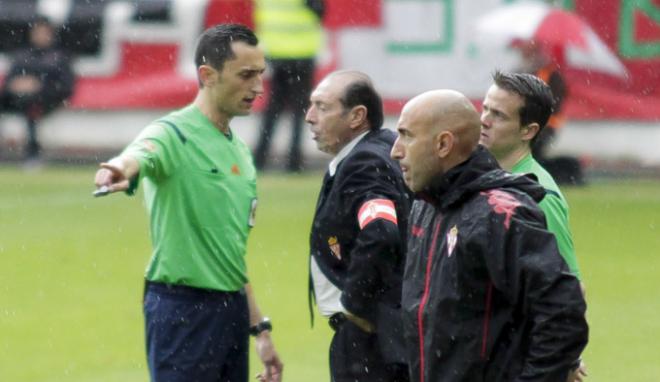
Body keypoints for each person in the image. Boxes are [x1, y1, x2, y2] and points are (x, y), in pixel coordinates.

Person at [93, 24, 282, 382]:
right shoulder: (172, 133)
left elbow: (230, 254)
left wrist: (261, 331)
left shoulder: (240, 151)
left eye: (260, 74)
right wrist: (120, 168)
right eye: (245, 75)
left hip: (231, 311)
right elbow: (142, 153)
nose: (257, 87)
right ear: (207, 75)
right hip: (183, 311)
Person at [390, 89, 588, 382]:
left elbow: (563, 314)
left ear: (444, 143)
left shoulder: (500, 213)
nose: (395, 150)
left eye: (407, 135)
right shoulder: (425, 206)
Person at [480, 71, 587, 381]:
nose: (484, 120)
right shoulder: (481, 178)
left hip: (518, 360)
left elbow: (569, 283)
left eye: (497, 115)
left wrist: (567, 359)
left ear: (528, 130)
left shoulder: (539, 195)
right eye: (485, 108)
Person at [306, 70, 411, 382]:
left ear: (357, 117)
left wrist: (354, 307)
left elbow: (380, 231)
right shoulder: (382, 147)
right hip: (394, 332)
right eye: (312, 105)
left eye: (322, 107)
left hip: (373, 337)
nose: (310, 117)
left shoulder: (365, 164)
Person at [253, 0, 324, 172]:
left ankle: (259, 158)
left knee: (273, 108)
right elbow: (319, 11)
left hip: (275, 50)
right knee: (299, 110)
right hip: (302, 52)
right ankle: (294, 162)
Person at [0, 15, 74, 162]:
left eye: (43, 32)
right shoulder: (22, 56)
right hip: (18, 98)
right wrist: (16, 85)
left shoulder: (59, 57)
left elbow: (66, 87)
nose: (40, 35)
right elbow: (9, 82)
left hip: (47, 100)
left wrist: (40, 87)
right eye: (37, 31)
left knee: (31, 106)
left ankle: (32, 153)